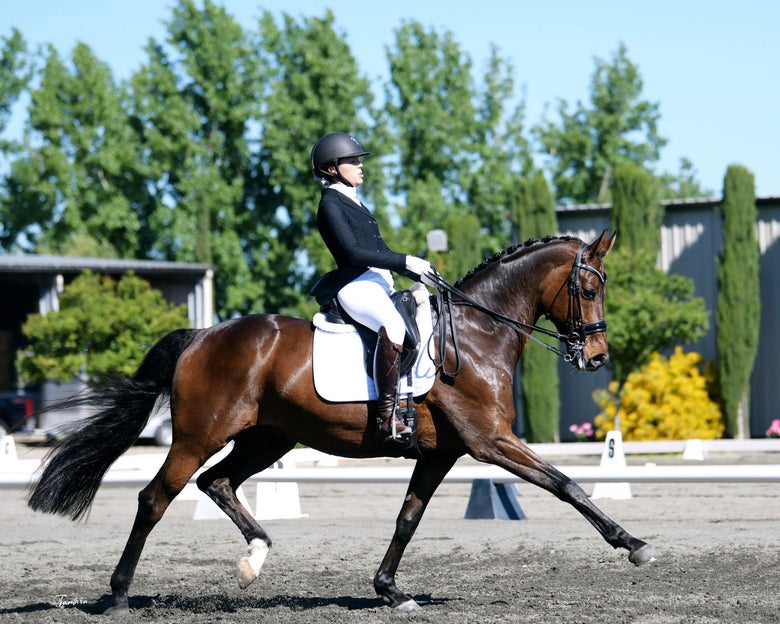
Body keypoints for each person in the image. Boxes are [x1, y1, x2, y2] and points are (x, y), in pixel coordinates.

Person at [310, 132, 435, 441]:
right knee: (392, 325)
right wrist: (404, 260)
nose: (360, 166)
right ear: (332, 169)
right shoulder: (330, 205)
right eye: (353, 161)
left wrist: (411, 271)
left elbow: (376, 250)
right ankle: (386, 416)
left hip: (376, 282)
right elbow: (353, 253)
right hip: (355, 283)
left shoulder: (354, 201)